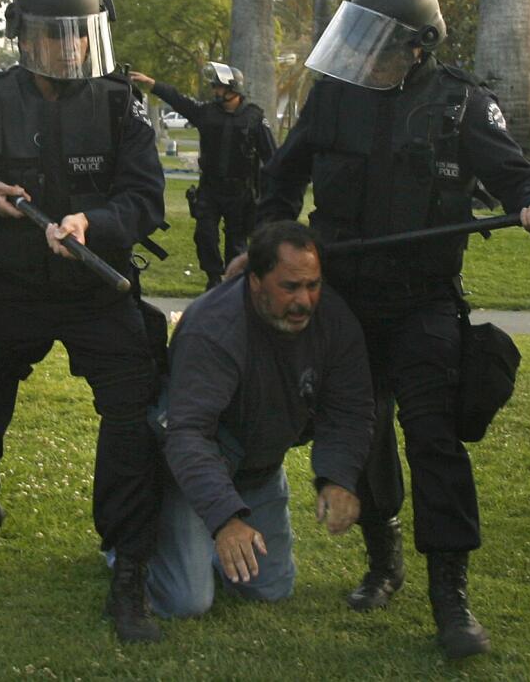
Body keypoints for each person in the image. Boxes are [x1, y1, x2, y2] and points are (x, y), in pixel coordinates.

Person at [238, 0, 530, 659]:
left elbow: (513, 172)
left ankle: (451, 594)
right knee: (361, 429)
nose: (365, 54)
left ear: (418, 46)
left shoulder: (459, 105)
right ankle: (383, 561)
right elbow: (283, 178)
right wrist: (267, 243)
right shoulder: (334, 98)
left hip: (422, 301)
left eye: (380, 43)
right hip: (344, 300)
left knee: (433, 438)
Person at [0, 0, 166, 643]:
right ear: (23, 39)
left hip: (96, 288)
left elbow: (146, 199)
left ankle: (128, 565)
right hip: (8, 290)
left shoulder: (119, 104)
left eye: (80, 36)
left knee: (133, 421)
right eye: (55, 37)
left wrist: (94, 222)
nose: (70, 50)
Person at [151, 221, 373, 615]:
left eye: (312, 284)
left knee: (271, 588)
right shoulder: (214, 329)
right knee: (186, 601)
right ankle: (130, 544)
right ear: (255, 280)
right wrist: (225, 517)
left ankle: (213, 540)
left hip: (259, 465)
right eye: (289, 287)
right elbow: (187, 434)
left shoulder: (335, 321)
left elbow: (349, 408)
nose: (304, 300)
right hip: (196, 465)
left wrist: (338, 477)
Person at [130, 62, 276, 288]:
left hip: (240, 193)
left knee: (236, 242)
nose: (214, 91)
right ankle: (214, 280)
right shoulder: (207, 113)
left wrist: (269, 194)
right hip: (210, 189)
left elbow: (271, 157)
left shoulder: (254, 118)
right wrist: (153, 84)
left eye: (218, 87)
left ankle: (234, 283)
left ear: (232, 89)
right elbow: (179, 100)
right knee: (205, 235)